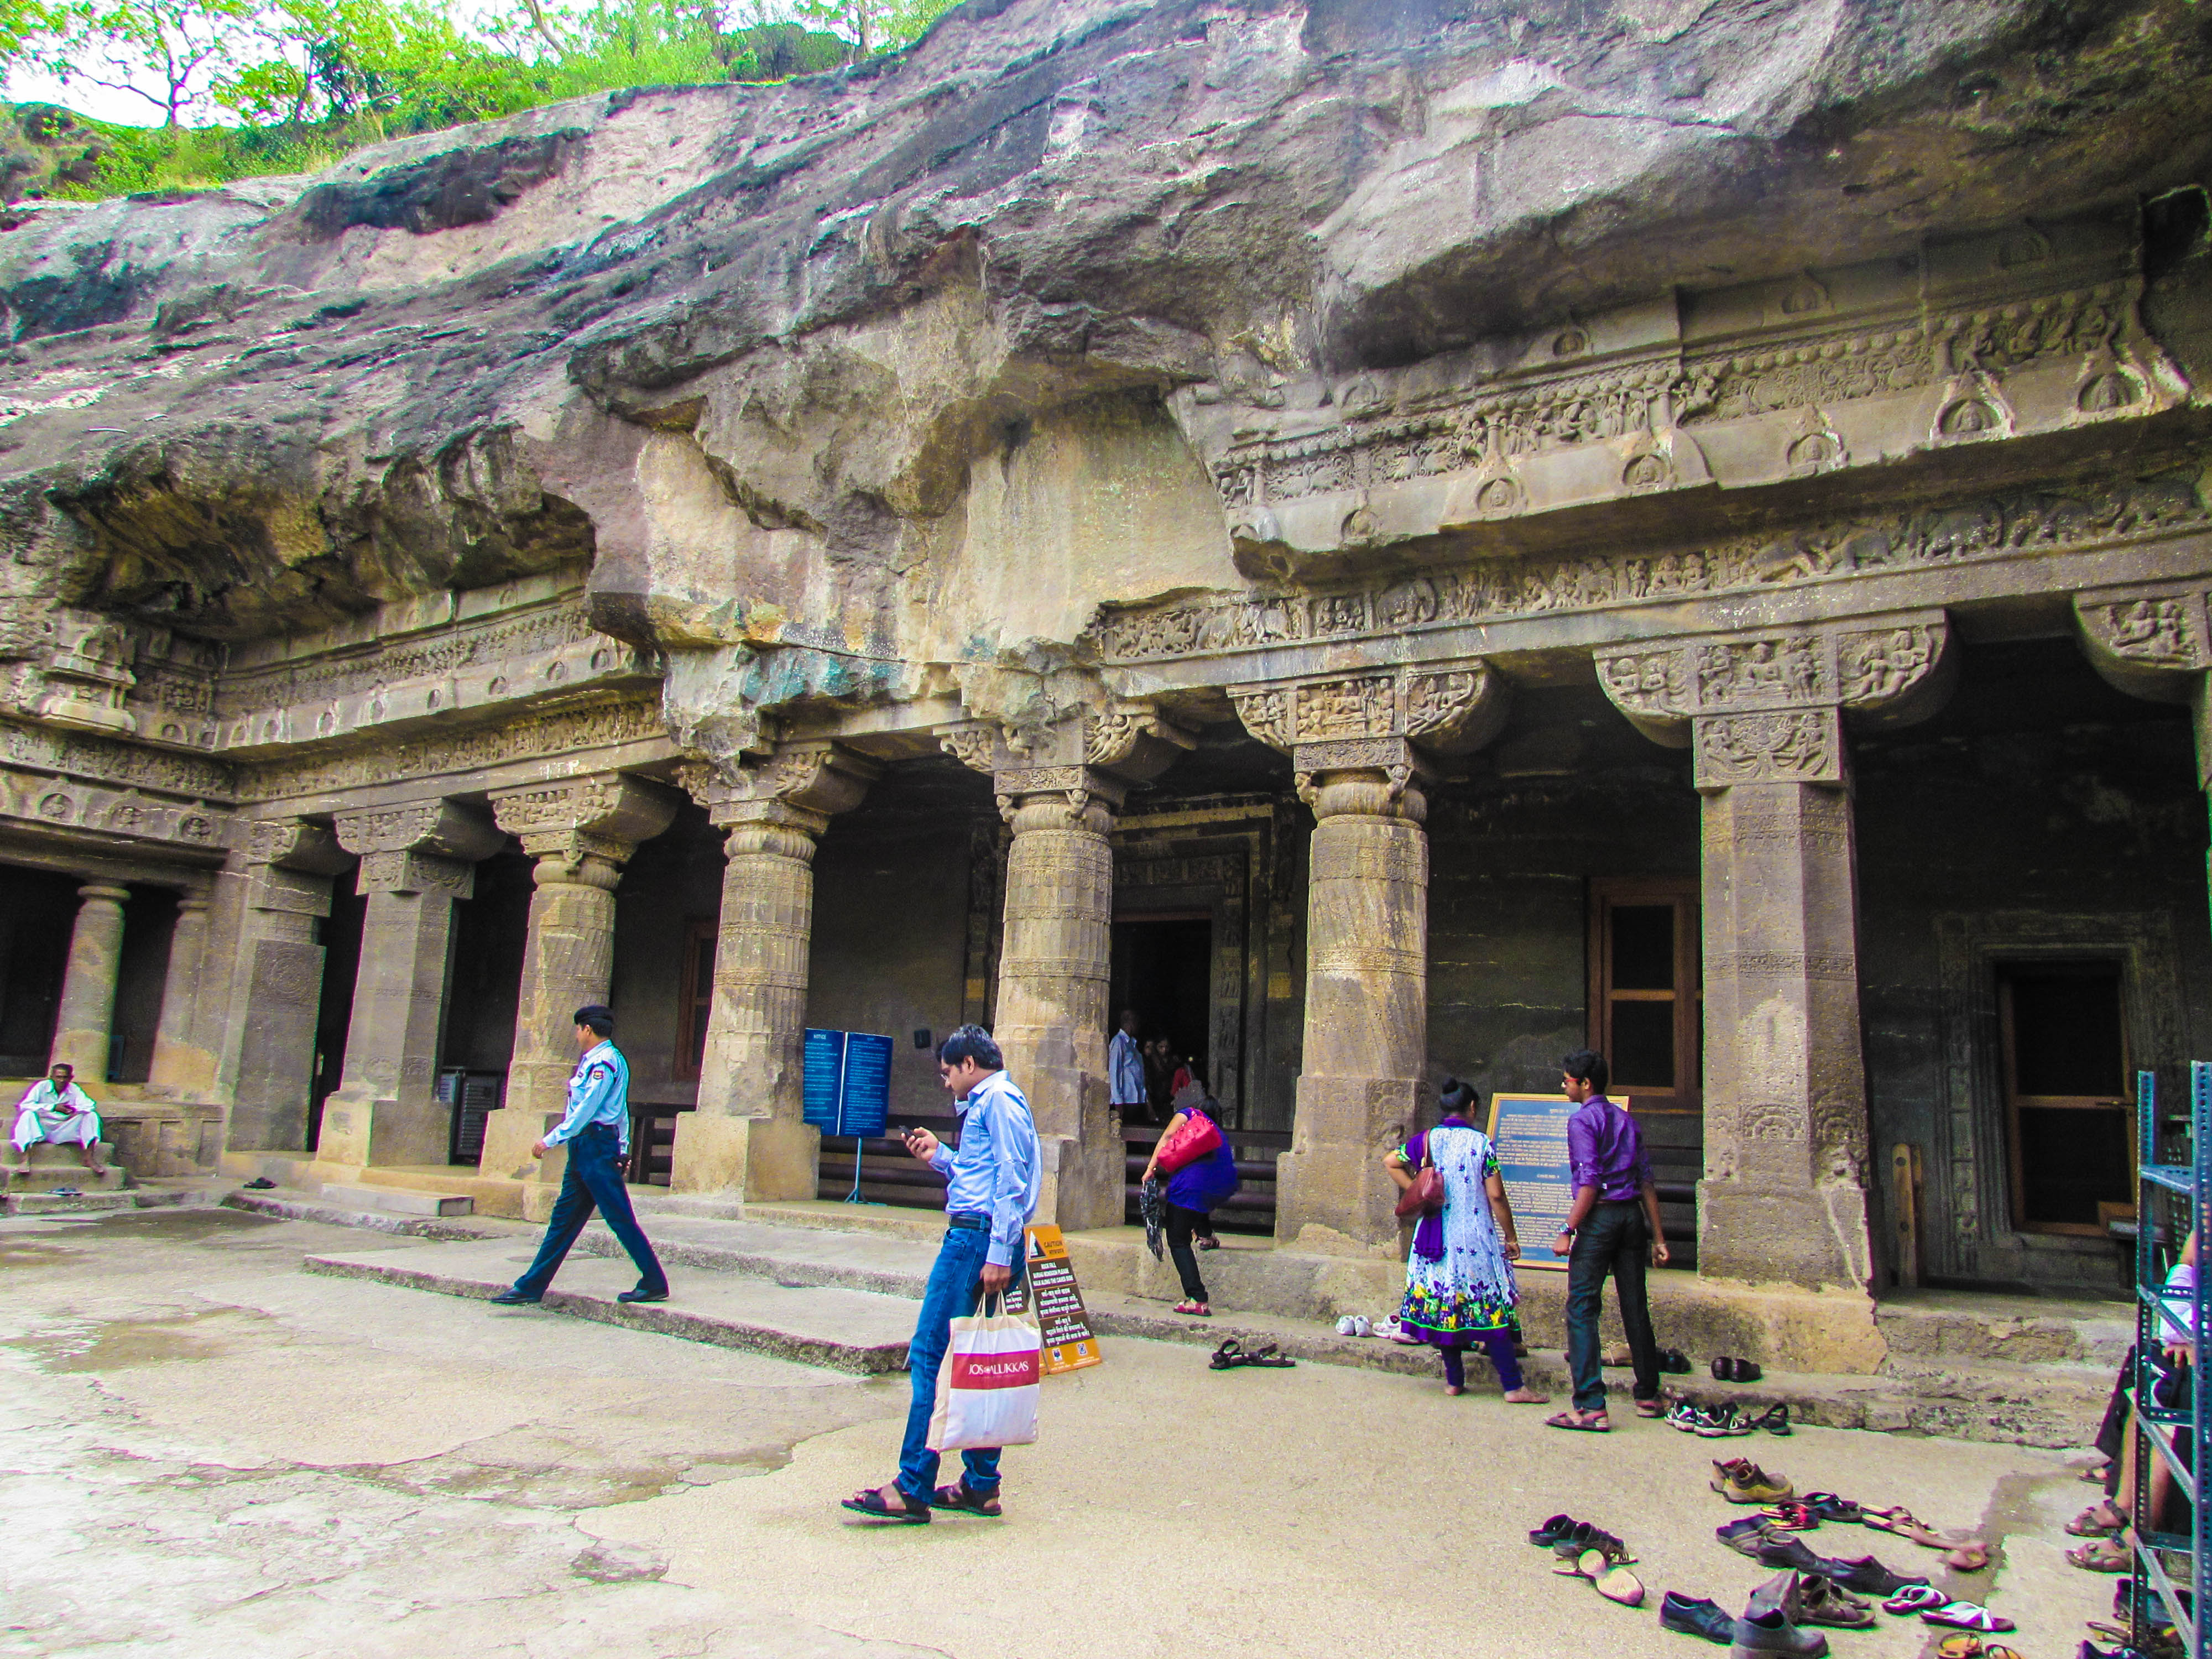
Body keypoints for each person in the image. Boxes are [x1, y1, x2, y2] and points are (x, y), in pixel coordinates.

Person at [844, 1024, 1040, 1524]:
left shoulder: (997, 1100)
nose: (946, 1082)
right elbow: (984, 1175)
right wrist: (943, 1159)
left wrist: (999, 1249)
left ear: (969, 1065)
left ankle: (913, 1483)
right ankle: (980, 1485)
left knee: (931, 1351)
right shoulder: (992, 1102)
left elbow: (1013, 1181)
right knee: (979, 1357)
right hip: (983, 1235)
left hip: (976, 1240)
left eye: (948, 1072)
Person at [490, 1006, 669, 1308]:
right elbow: (620, 1108)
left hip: (596, 1147)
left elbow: (588, 1109)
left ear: (587, 1029)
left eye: (577, 1029)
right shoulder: (598, 1061)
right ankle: (531, 1286)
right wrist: (623, 1145)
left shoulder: (605, 1063)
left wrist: (551, 1139)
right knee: (563, 1220)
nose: (576, 1035)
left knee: (619, 1217)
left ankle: (654, 1281)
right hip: (586, 1148)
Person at [1384, 1079, 1547, 1402]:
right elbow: (1496, 1195)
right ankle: (1513, 1386)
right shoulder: (1481, 1144)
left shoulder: (1427, 1140)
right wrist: (1511, 1237)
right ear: (1472, 1108)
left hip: (1434, 1234)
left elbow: (1391, 1161)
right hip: (1473, 1237)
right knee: (1491, 1310)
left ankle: (1454, 1381)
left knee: (1447, 1305)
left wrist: (1417, 1189)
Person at [1548, 1048, 1668, 1431]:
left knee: (1582, 1307)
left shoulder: (1583, 1122)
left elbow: (1589, 1181)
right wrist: (1659, 1237)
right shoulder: (1626, 1120)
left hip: (1599, 1219)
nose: (1563, 1085)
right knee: (1635, 1305)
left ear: (1585, 1084)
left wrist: (1568, 1229)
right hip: (1631, 1217)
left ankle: (1590, 1405)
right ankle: (1649, 1393)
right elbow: (1646, 1181)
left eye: (1567, 1079)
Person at [1139, 1079, 1239, 1316]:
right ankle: (1206, 1235)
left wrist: (1150, 1169)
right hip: (1217, 1187)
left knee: (1178, 1239)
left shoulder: (1189, 1114)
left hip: (1188, 1187)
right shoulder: (1216, 1133)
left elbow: (1167, 1138)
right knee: (1197, 1206)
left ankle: (1197, 1297)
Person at [11, 1063, 106, 1179]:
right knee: (27, 1115)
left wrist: (74, 1109)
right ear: (52, 1077)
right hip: (41, 1128)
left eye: (65, 1077)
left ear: (71, 1078)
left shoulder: (74, 1089)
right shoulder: (41, 1087)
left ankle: (89, 1158)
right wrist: (52, 1107)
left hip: (62, 1129)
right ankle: (25, 1159)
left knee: (91, 1115)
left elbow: (90, 1105)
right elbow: (25, 1105)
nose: (61, 1081)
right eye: (58, 1077)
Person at [1109, 1009, 1148, 1125]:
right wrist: (1118, 1101)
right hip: (1126, 1101)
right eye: (1137, 1023)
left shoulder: (1132, 1044)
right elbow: (1114, 1072)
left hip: (1136, 1100)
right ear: (1131, 1023)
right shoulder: (1118, 1042)